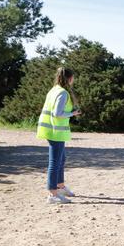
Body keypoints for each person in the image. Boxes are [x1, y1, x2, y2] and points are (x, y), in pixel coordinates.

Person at [37, 66, 80, 204]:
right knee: (55, 163)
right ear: (69, 78)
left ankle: (60, 187)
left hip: (55, 132)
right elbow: (57, 113)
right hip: (55, 132)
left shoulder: (54, 90)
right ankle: (52, 194)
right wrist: (72, 114)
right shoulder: (62, 93)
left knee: (61, 160)